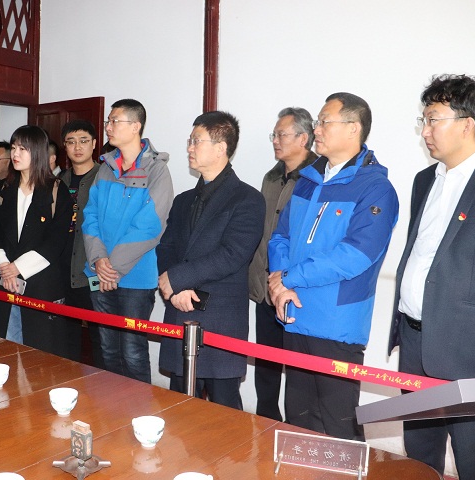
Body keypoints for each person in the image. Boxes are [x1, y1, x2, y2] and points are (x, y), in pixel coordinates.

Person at [390, 74, 475, 480]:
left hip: (472, 354)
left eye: (433, 119)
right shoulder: (425, 180)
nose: (425, 131)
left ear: (467, 124)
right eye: (423, 120)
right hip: (415, 341)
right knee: (419, 458)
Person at [268, 92, 399, 440]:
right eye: (318, 122)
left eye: (325, 121)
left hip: (336, 323)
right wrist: (279, 282)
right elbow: (280, 237)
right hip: (294, 314)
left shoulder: (375, 188)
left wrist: (289, 277)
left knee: (339, 429)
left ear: (353, 128)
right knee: (298, 424)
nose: (317, 129)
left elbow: (355, 255)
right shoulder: (308, 180)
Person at [158, 111, 265, 409]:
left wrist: (178, 279)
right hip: (180, 310)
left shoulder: (248, 199)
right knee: (179, 408)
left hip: (220, 317)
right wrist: (175, 289)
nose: (189, 148)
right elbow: (166, 247)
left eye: (196, 141)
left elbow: (233, 254)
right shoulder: (183, 200)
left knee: (224, 412)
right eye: (189, 141)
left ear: (221, 148)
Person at [82, 98, 174, 383]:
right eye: (108, 121)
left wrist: (114, 267)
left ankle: (138, 408)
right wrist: (99, 260)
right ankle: (112, 407)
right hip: (99, 272)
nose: (108, 127)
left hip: (135, 276)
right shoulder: (106, 167)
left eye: (114, 121)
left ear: (135, 126)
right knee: (107, 349)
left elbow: (150, 225)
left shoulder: (156, 170)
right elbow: (90, 215)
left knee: (133, 352)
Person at [0, 125, 75, 356]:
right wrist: (4, 266)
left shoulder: (56, 190)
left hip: (40, 283)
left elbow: (56, 239)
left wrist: (18, 268)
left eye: (23, 149)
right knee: (2, 350)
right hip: (3, 280)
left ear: (38, 152)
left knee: (38, 355)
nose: (15, 154)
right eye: (13, 148)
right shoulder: (4, 189)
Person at [248, 107, 316, 421]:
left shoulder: (317, 178)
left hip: (296, 289)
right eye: (274, 135)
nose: (275, 140)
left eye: (282, 135)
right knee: (267, 363)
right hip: (266, 287)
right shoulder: (271, 177)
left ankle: (296, 429)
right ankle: (266, 421)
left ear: (303, 138)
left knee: (300, 370)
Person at [59, 120, 103, 367]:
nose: (77, 147)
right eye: (71, 142)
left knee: (101, 338)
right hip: (62, 270)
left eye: (84, 141)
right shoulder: (59, 181)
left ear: (94, 144)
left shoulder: (105, 178)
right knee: (66, 338)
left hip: (93, 270)